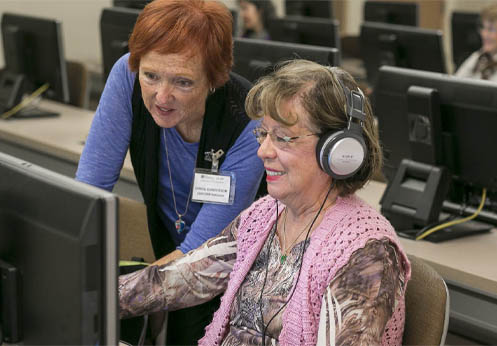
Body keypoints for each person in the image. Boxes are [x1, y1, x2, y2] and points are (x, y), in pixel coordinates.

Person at [118, 59, 412, 345]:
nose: (264, 152)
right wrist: (91, 296)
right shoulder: (265, 215)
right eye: (264, 134)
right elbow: (183, 278)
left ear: (339, 151)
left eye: (283, 138)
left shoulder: (366, 254)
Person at [76, 0, 264, 343]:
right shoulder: (127, 76)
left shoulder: (248, 122)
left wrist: (107, 296)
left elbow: (202, 254)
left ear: (214, 79)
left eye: (183, 82)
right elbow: (86, 193)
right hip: (166, 247)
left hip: (230, 272)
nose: (162, 97)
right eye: (151, 76)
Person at [455, 3, 497, 81]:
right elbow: (455, 82)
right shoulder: (479, 56)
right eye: (483, 27)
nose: (484, 34)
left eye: (491, 29)